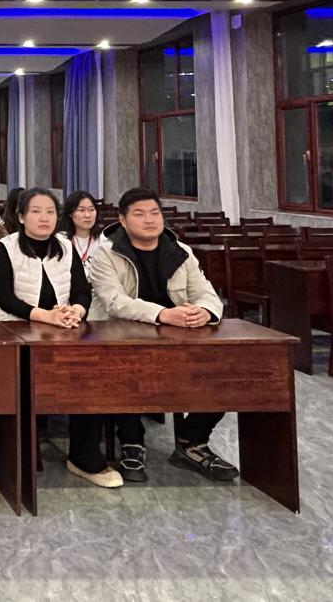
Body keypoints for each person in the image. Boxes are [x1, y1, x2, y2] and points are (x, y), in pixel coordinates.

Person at [88, 187, 235, 484]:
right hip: (122, 335)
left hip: (175, 336)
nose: (149, 220)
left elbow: (207, 293)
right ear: (123, 220)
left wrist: (205, 312)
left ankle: (192, 442)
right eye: (139, 214)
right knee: (123, 370)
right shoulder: (106, 253)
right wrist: (163, 314)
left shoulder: (181, 252)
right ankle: (132, 442)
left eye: (154, 213)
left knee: (227, 369)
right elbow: (114, 301)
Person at [0, 188, 119, 489]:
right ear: (21, 216)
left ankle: (84, 456)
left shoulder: (65, 246)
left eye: (50, 211)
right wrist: (44, 316)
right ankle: (20, 452)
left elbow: (82, 291)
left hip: (62, 329)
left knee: (91, 375)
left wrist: (76, 311)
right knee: (21, 382)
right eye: (35, 211)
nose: (44, 217)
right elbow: (5, 298)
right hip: (16, 330)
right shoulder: (6, 248)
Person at [62, 190, 107, 278]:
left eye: (91, 210)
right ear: (70, 213)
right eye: (81, 210)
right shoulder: (61, 240)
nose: (87, 215)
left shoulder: (103, 241)